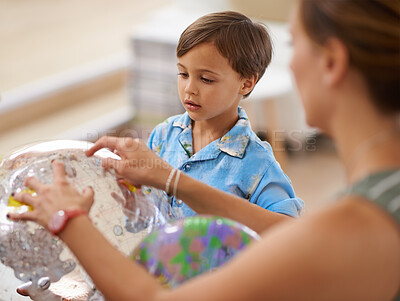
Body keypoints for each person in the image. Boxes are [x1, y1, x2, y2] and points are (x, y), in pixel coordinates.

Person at [9, 0, 400, 300]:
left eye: (294, 44)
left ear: (331, 61)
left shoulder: (357, 225)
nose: (291, 65)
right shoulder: (165, 135)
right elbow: (142, 215)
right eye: (183, 73)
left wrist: (69, 220)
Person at [146, 11, 303, 219]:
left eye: (206, 79)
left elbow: (288, 228)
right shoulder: (162, 135)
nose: (189, 89)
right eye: (183, 74)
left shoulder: (258, 163)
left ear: (246, 83)